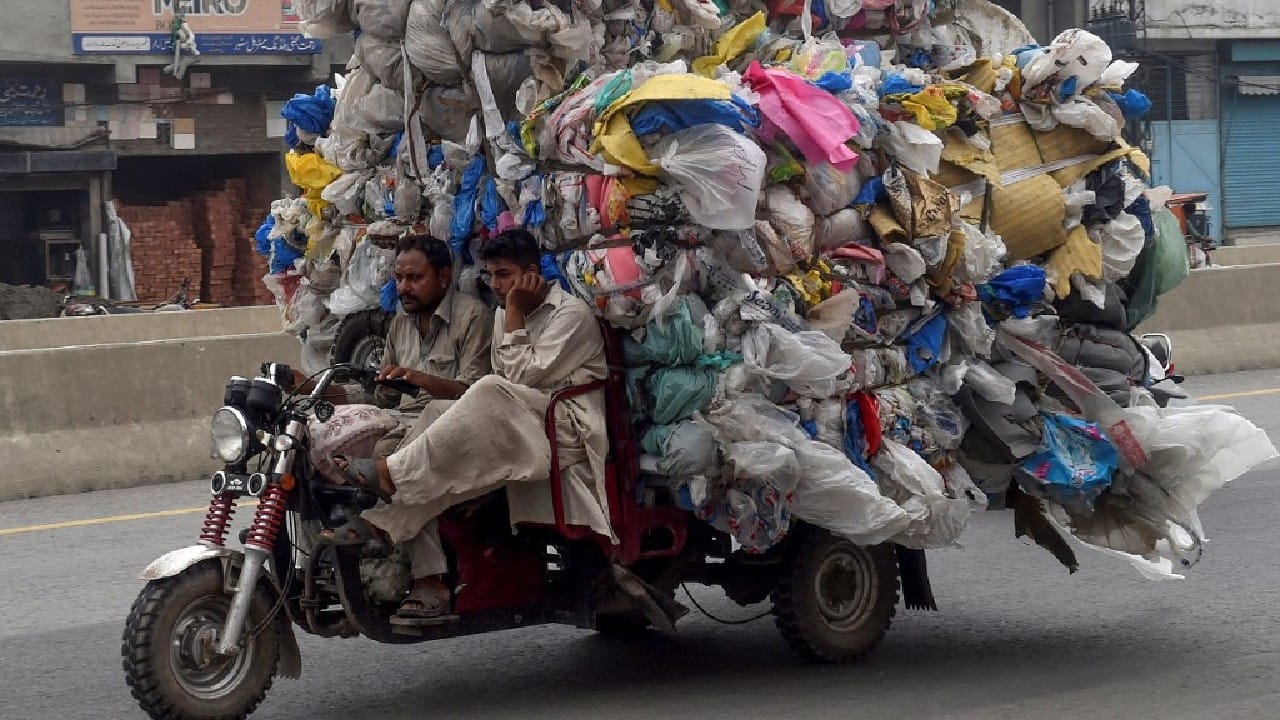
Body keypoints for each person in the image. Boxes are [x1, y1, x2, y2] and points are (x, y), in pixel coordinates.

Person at [331, 228, 613, 621]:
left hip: (564, 428)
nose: (496, 286)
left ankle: (390, 477)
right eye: (491, 276)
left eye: (504, 275)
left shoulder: (570, 315)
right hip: (522, 418)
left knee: (488, 388)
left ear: (532, 275)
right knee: (437, 412)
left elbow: (518, 377)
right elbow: (509, 382)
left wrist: (513, 313)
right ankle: (381, 520)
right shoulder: (502, 314)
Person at [318, 233, 494, 620]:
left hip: (457, 425)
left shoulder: (472, 317)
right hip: (406, 420)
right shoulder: (400, 323)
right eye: (398, 278)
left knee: (399, 461)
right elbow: (383, 396)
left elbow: (476, 393)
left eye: (415, 278)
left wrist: (420, 378)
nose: (403, 288)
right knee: (336, 446)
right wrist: (330, 393)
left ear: (443, 277)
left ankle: (431, 581)